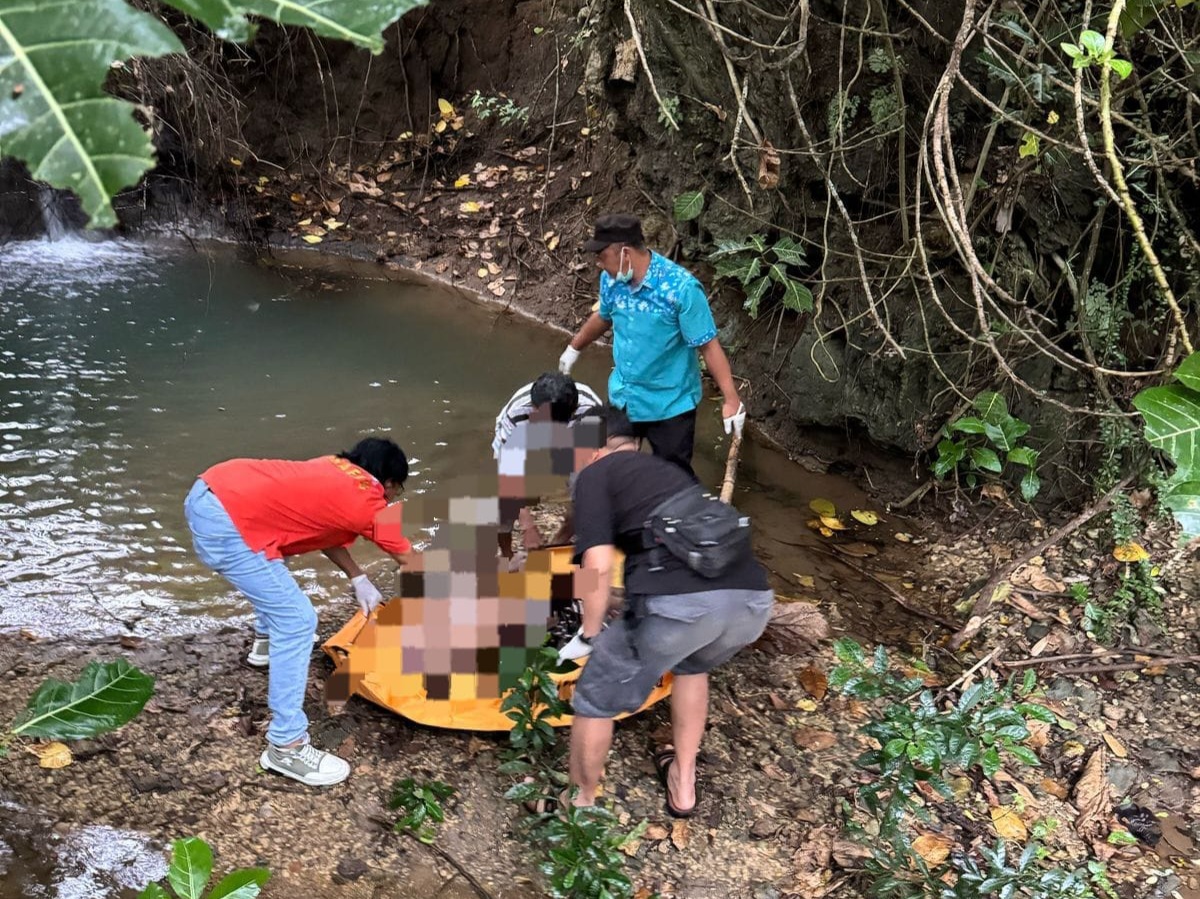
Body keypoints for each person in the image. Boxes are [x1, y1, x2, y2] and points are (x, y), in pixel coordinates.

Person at [559, 406, 773, 817]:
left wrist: (589, 634)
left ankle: (579, 805)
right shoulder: (666, 474)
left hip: (682, 607)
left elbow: (598, 566)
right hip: (751, 600)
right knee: (691, 667)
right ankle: (683, 783)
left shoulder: (594, 474)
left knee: (595, 696)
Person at [183, 437, 412, 787]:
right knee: (298, 621)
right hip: (226, 522)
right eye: (397, 491)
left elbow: (324, 530)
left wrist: (358, 576)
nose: (394, 498)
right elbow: (412, 560)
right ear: (391, 483)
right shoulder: (369, 501)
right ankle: (285, 746)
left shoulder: (333, 468)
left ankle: (264, 644)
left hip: (213, 487)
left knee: (279, 542)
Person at [558, 213, 746, 480]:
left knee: (671, 476)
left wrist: (731, 400)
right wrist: (574, 348)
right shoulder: (612, 280)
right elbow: (604, 316)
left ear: (624, 252)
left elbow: (708, 345)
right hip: (624, 395)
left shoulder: (680, 289)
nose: (599, 263)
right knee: (604, 464)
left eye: (602, 256)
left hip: (669, 403)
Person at [493, 371, 603, 560]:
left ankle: (560, 542)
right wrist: (528, 527)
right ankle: (507, 555)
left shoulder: (590, 410)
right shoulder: (516, 414)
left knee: (586, 492)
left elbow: (597, 465)